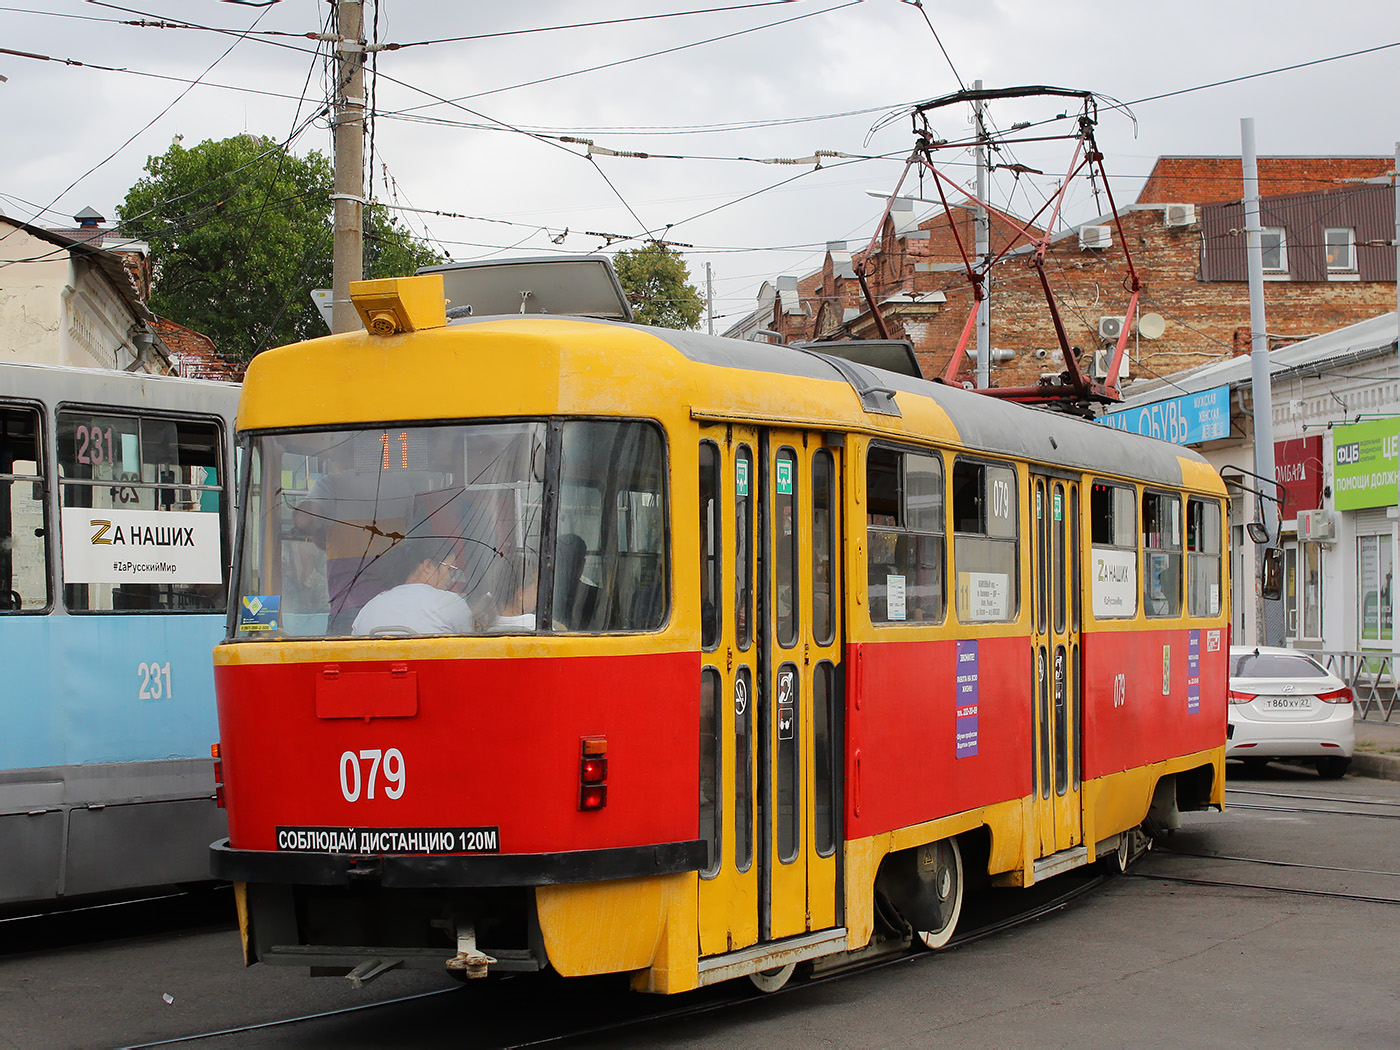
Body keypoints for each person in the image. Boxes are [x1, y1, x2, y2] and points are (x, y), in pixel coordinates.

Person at [351, 540, 475, 636]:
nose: (451, 578)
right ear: (428, 566)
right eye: (450, 570)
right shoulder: (450, 603)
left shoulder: (370, 607)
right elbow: (471, 647)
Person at [489, 558, 538, 632]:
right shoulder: (535, 625)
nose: (538, 594)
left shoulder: (485, 623)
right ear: (521, 595)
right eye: (536, 588)